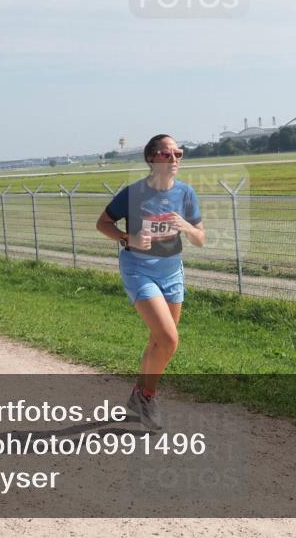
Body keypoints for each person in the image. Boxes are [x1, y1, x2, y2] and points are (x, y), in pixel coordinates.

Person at [96, 134, 205, 430]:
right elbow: (103, 223)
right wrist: (127, 238)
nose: (174, 159)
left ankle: (138, 395)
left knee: (158, 341)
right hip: (139, 269)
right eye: (167, 154)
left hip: (171, 272)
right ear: (151, 158)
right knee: (169, 339)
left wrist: (186, 227)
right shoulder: (133, 194)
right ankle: (147, 396)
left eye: (178, 153)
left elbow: (201, 238)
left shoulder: (186, 193)